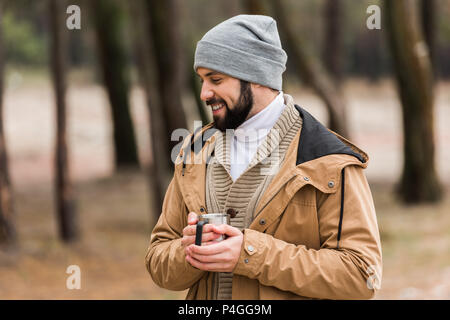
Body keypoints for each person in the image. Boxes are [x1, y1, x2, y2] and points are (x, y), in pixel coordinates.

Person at [145, 14, 382, 300]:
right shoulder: (194, 149)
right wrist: (189, 252)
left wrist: (250, 254)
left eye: (216, 79)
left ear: (257, 77)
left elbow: (362, 275)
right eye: (202, 80)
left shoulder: (330, 161)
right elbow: (158, 258)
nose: (205, 93)